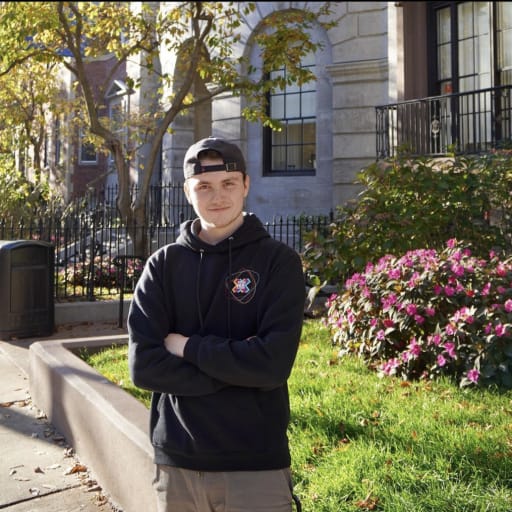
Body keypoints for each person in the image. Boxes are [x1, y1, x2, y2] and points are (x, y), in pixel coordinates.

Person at [127, 136, 306, 512]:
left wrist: (186, 348)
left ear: (245, 184)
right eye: (204, 186)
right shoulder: (163, 266)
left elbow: (272, 365)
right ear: (187, 191)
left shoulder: (278, 263)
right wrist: (241, 369)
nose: (217, 196)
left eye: (228, 184)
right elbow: (144, 367)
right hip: (177, 460)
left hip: (255, 463)